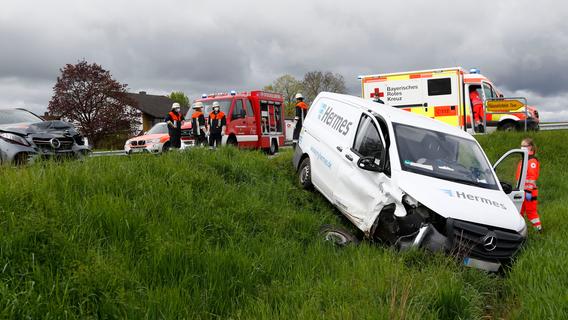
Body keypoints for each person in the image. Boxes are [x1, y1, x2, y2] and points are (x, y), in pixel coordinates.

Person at [517, 138, 542, 231]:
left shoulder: (532, 161)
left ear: (530, 147)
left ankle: (538, 230)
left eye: (524, 146)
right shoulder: (524, 159)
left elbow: (531, 178)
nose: (522, 147)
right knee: (519, 212)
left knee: (531, 212)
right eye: (521, 145)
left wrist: (527, 191)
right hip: (522, 191)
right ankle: (520, 230)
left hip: (529, 192)